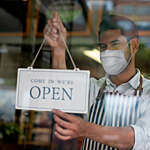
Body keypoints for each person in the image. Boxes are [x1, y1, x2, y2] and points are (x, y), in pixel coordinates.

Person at [44, 12, 150, 150]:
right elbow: (62, 93)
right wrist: (58, 49)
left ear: (134, 46)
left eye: (115, 44)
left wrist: (84, 128)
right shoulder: (93, 88)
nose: (108, 52)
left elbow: (134, 138)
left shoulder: (148, 93)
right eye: (103, 47)